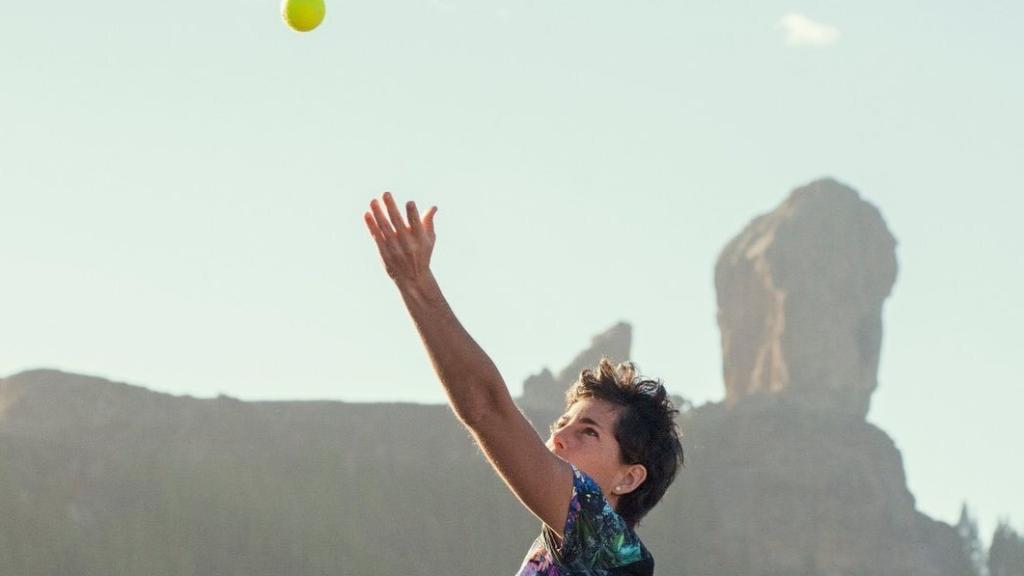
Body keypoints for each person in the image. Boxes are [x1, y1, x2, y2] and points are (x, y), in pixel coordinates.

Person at [363, 191, 684, 575]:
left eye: (589, 432)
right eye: (562, 423)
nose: (560, 437)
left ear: (628, 477)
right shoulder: (566, 548)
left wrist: (417, 284)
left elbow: (486, 408)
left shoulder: (603, 542)